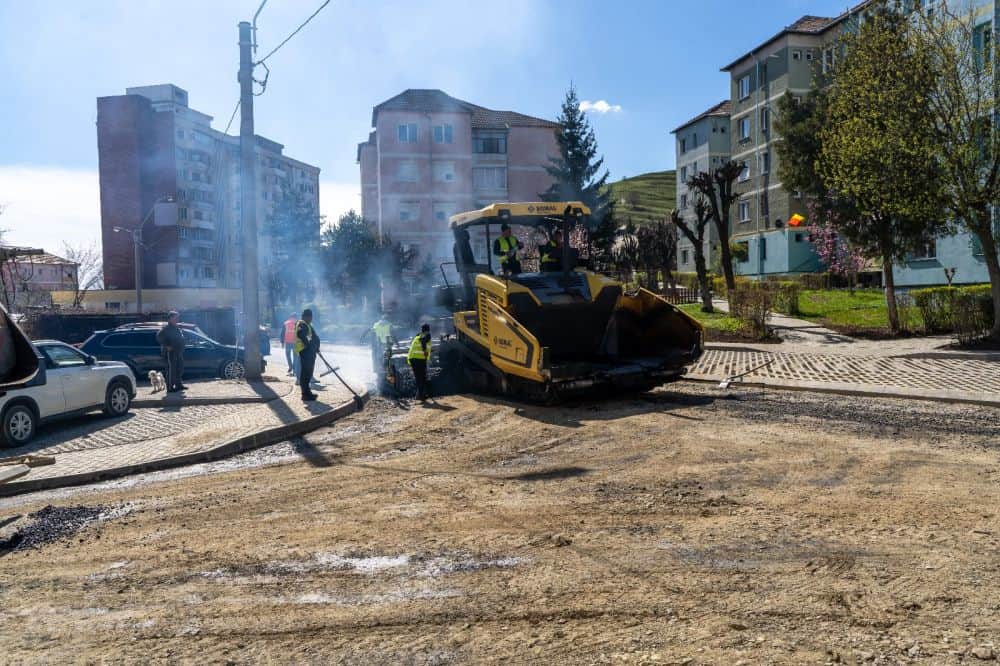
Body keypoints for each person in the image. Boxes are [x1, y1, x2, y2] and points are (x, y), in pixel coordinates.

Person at [156, 311, 186, 393]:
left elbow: (180, 338)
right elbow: (159, 337)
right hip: (170, 352)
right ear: (170, 319)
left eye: (178, 317)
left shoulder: (176, 327)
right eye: (175, 317)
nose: (177, 319)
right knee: (171, 370)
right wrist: (167, 346)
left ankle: (178, 385)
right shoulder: (166, 328)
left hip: (178, 351)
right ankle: (170, 387)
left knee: (180, 368)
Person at [294, 308, 320, 401]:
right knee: (305, 373)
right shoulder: (302, 324)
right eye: (310, 317)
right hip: (305, 352)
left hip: (310, 352)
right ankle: (305, 394)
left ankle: (308, 392)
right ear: (305, 317)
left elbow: (313, 337)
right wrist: (310, 346)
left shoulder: (308, 325)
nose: (311, 319)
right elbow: (301, 335)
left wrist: (316, 347)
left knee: (308, 373)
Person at [407, 323, 432, 401]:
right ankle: (421, 395)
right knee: (422, 377)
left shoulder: (417, 335)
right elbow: (423, 342)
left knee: (419, 377)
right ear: (428, 330)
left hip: (412, 358)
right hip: (420, 359)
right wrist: (425, 351)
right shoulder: (427, 335)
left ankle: (419, 395)